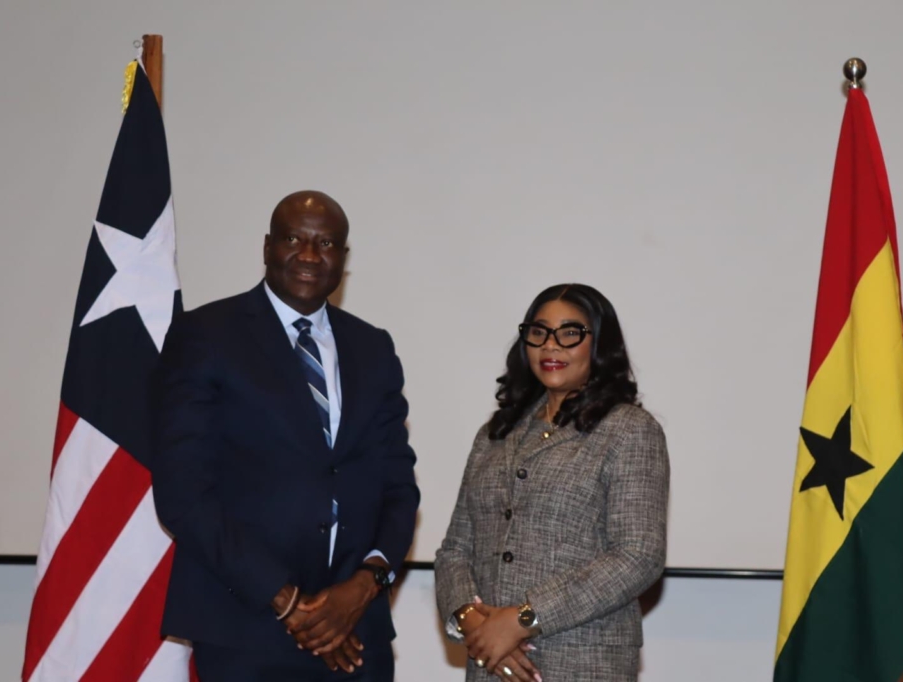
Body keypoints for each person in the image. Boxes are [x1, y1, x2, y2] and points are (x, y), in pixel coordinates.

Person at [151, 190, 419, 681]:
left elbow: (398, 487)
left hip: (357, 629)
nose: (310, 255)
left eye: (327, 243)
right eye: (294, 239)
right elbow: (182, 493)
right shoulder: (206, 334)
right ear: (267, 246)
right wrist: (289, 602)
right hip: (245, 628)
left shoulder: (373, 347)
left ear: (343, 258)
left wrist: (363, 587)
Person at [435, 283, 670, 682]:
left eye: (570, 333)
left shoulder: (629, 430)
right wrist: (471, 620)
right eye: (539, 332)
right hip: (490, 662)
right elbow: (455, 549)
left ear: (600, 344)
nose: (550, 345)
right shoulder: (495, 433)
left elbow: (638, 555)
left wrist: (524, 619)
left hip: (584, 662)